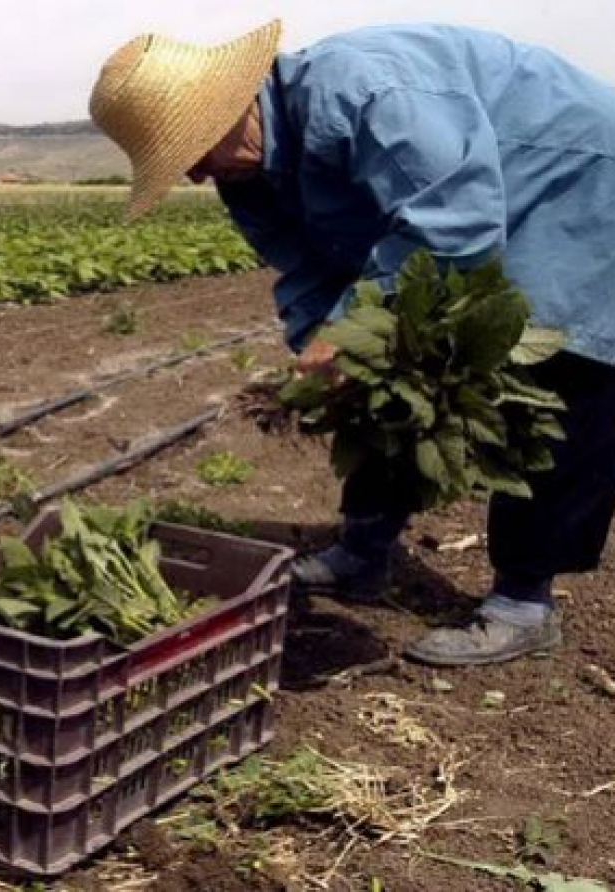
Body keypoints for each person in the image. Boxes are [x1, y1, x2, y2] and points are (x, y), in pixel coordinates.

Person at [89, 20, 615, 666]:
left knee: (560, 375)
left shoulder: (363, 90)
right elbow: (307, 271)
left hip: (580, 186)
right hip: (473, 209)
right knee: (376, 366)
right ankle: (364, 552)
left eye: (192, 151)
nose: (195, 176)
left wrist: (349, 328)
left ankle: (524, 600)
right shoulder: (247, 175)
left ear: (230, 106)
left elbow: (458, 228)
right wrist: (325, 342)